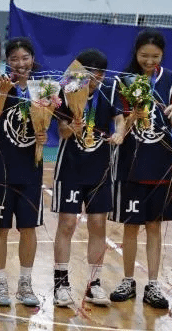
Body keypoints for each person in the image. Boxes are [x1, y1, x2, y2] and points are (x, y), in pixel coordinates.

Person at [109, 29, 172, 309]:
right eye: (144, 56)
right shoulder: (123, 80)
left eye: (155, 56)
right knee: (131, 227)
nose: (149, 61)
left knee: (154, 227)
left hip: (160, 165)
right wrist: (132, 117)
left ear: (162, 55)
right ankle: (128, 281)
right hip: (131, 166)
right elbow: (120, 127)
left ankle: (153, 284)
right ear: (135, 53)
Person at [52, 49, 125, 307]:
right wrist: (72, 126)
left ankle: (94, 284)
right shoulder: (66, 91)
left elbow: (120, 118)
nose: (94, 79)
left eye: (99, 74)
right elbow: (61, 132)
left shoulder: (110, 90)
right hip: (70, 168)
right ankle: (61, 284)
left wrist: (120, 132)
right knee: (67, 224)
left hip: (100, 170)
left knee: (98, 224)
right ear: (79, 72)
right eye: (89, 73)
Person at [0, 37, 47, 307]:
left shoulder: (44, 89)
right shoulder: (0, 84)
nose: (20, 63)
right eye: (14, 59)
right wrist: (3, 92)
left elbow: (47, 124)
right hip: (0, 170)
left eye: (25, 58)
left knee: (28, 228)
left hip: (30, 169)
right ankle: (0, 285)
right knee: (0, 229)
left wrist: (43, 136)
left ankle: (25, 284)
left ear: (32, 59)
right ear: (6, 62)